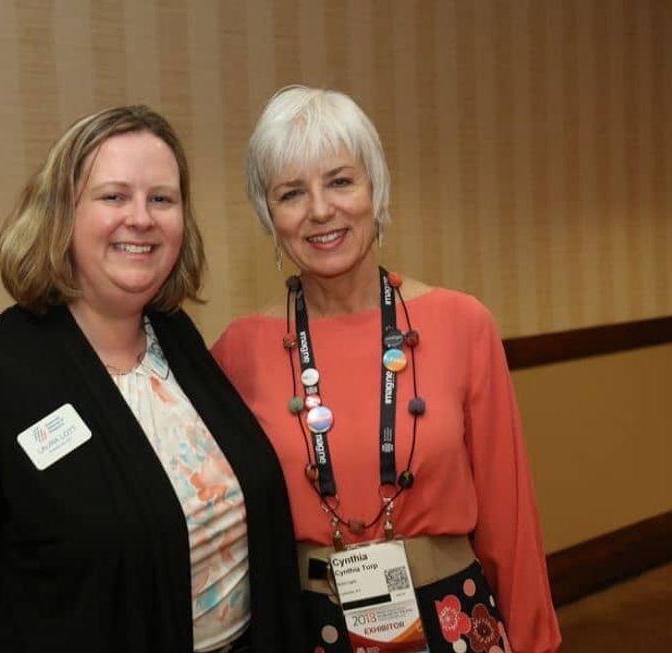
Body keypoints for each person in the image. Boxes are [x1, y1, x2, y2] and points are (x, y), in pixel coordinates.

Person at [0, 105, 303, 652]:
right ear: (62, 214)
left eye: (161, 199)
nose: (141, 218)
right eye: (114, 196)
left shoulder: (178, 342)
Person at [212, 86, 561, 653]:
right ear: (268, 215)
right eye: (292, 193)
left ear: (376, 191)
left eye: (341, 180)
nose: (320, 210)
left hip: (452, 616)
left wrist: (536, 643)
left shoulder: (460, 324)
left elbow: (510, 518)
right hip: (305, 626)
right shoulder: (238, 350)